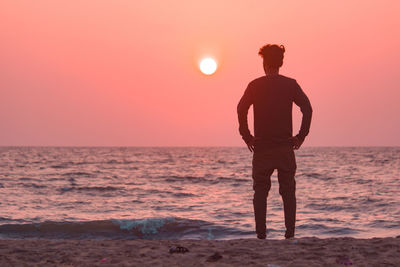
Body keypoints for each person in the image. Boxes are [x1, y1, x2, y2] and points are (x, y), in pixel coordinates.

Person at [237, 44, 312, 239]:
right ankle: (290, 234)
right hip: (285, 147)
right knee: (288, 192)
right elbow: (307, 108)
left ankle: (261, 235)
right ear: (281, 62)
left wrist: (247, 136)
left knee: (260, 192)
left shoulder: (254, 85)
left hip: (262, 148)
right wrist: (301, 136)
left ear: (264, 62)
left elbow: (241, 108)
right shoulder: (290, 84)